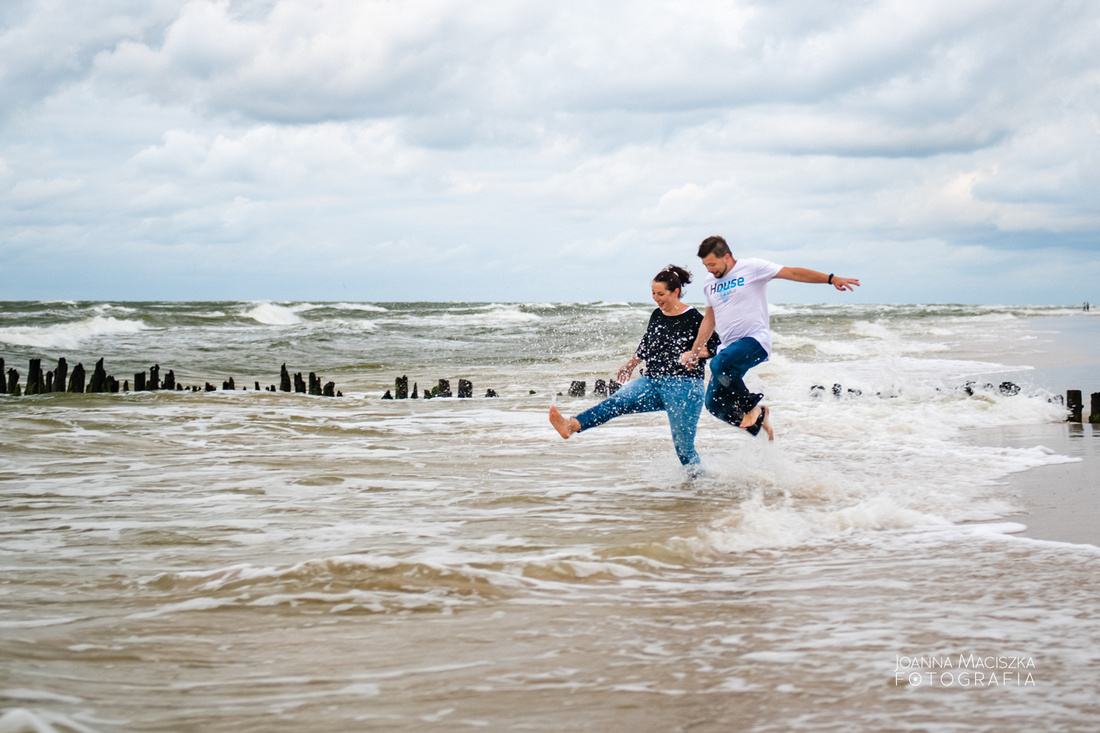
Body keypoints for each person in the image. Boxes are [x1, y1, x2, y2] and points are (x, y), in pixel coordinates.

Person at [680, 235, 860, 440]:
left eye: (712, 264)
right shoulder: (709, 282)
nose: (709, 269)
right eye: (705, 265)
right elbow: (709, 320)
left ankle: (753, 409)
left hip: (755, 341)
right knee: (713, 404)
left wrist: (831, 278)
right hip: (730, 350)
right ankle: (758, 424)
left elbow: (792, 273)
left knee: (719, 364)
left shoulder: (753, 267)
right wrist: (694, 353)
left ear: (727, 257)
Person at [550, 265, 721, 472]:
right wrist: (633, 362)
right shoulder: (657, 315)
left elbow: (715, 346)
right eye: (653, 293)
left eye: (661, 294)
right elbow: (648, 342)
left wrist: (694, 354)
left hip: (684, 387)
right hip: (652, 380)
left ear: (675, 292)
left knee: (684, 449)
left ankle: (700, 487)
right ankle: (572, 426)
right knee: (616, 402)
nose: (656, 299)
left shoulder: (694, 318)